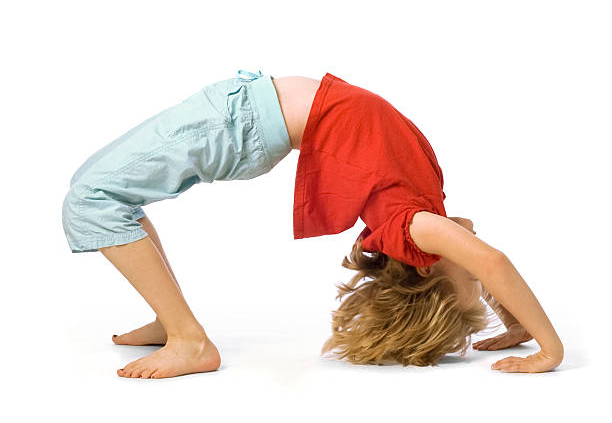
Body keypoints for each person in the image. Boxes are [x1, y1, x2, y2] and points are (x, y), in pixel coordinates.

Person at [62, 69, 564, 379]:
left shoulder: (412, 228)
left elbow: (493, 263)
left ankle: (188, 340)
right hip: (241, 111)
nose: (477, 274)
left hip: (240, 126)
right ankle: (168, 320)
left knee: (91, 197)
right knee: (100, 189)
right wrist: (518, 323)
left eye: (471, 284)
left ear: (427, 273)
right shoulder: (433, 218)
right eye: (480, 285)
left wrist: (550, 349)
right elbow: (480, 248)